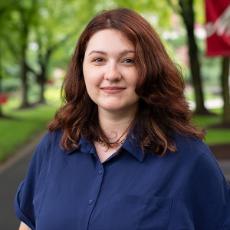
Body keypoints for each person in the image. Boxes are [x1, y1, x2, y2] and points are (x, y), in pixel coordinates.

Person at [15, 8, 230, 230]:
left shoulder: (189, 157)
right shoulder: (54, 145)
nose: (111, 74)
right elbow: (28, 224)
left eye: (128, 60)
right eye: (98, 60)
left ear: (150, 68)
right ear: (82, 69)